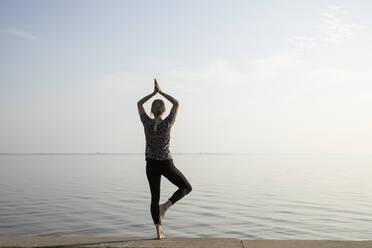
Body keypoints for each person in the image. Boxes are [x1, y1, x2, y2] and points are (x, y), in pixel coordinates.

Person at [137, 78, 192, 240]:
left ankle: (158, 233)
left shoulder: (146, 122)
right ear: (163, 111)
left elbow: (139, 104)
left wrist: (152, 93)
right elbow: (176, 103)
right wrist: (160, 92)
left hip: (151, 164)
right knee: (186, 187)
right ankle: (165, 207)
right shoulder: (168, 123)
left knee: (154, 197)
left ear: (152, 111)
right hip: (166, 164)